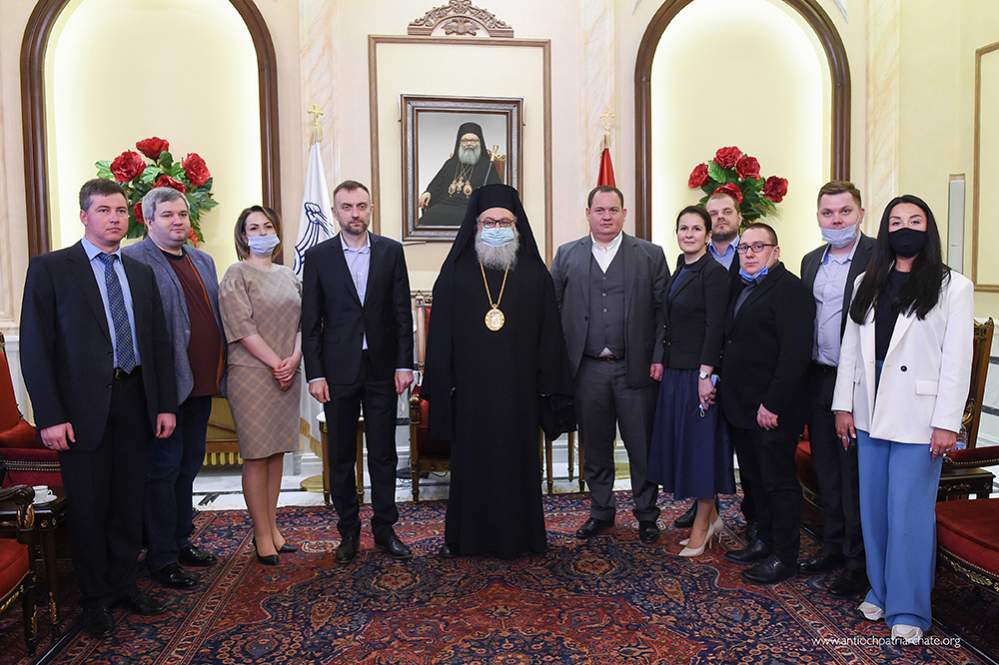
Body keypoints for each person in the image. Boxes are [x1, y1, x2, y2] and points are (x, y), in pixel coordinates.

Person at [20, 178, 177, 638]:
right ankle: (93, 601)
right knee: (89, 507)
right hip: (79, 411)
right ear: (84, 216)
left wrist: (164, 405)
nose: (114, 218)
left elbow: (159, 344)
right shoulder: (51, 268)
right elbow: (35, 347)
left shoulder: (140, 272)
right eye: (104, 210)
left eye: (121, 210)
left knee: (129, 503)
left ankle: (124, 584)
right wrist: (50, 416)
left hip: (135, 400)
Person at [833, 195, 972, 643]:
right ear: (885, 230)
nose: (904, 228)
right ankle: (881, 588)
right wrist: (842, 405)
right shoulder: (866, 281)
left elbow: (957, 361)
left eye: (914, 220)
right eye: (895, 221)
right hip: (869, 405)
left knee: (908, 511)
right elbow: (851, 349)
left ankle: (909, 607)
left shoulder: (953, 286)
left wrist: (947, 421)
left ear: (928, 228)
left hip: (920, 414)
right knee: (873, 507)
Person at [424, 183, 573, 558]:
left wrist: (547, 387)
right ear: (475, 225)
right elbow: (440, 337)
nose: (496, 228)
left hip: (519, 396)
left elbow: (550, 339)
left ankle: (521, 537)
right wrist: (444, 386)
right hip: (471, 396)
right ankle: (468, 538)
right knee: (472, 466)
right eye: (489, 222)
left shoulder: (535, 275)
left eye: (504, 222)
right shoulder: (455, 274)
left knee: (517, 464)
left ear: (517, 226)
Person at [302, 180, 414, 564]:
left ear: (371, 209)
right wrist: (315, 374)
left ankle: (385, 528)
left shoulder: (391, 252)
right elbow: (310, 321)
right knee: (341, 456)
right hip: (337, 373)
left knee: (383, 453)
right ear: (335, 212)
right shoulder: (319, 257)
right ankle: (348, 531)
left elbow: (402, 314)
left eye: (361, 206)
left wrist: (405, 364)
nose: (355, 213)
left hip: (382, 369)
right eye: (347, 207)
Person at [550, 185, 668, 544]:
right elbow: (553, 310)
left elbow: (664, 314)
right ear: (588, 213)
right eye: (599, 210)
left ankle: (647, 514)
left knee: (641, 446)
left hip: (636, 369)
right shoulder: (566, 255)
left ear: (624, 214)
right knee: (595, 445)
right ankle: (601, 511)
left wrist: (658, 358)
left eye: (613, 210)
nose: (606, 216)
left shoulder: (650, 255)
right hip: (587, 370)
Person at [122, 187, 224, 589]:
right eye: (167, 215)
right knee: (162, 472)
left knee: (188, 467)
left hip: (201, 385)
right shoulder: (133, 259)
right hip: (164, 390)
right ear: (148, 220)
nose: (177, 221)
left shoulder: (203, 260)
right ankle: (161, 557)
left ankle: (182, 541)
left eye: (181, 214)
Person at [720, 223, 814, 585]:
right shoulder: (740, 285)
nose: (749, 253)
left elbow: (794, 355)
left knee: (778, 482)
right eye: (744, 247)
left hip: (773, 408)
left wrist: (772, 404)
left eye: (758, 247)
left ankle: (784, 556)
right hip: (742, 405)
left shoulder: (791, 290)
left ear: (776, 251)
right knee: (754, 478)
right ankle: (763, 539)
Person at [797, 181, 875, 597]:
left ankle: (858, 562)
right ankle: (832, 547)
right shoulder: (811, 261)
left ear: (861, 212)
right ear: (818, 217)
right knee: (826, 468)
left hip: (861, 384)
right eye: (828, 213)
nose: (837, 220)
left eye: (844, 212)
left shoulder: (878, 257)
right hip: (818, 378)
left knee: (854, 474)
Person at [647, 206, 734, 556]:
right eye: (683, 228)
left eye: (696, 228)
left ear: (708, 235)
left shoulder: (714, 273)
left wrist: (705, 375)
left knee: (701, 451)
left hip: (697, 375)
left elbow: (716, 328)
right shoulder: (681, 267)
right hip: (675, 372)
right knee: (685, 447)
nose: (689, 234)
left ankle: (702, 526)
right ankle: (712, 518)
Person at [219, 206, 302, 565]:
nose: (262, 231)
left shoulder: (289, 275)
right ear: (243, 236)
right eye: (254, 227)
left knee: (277, 452)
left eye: (268, 225)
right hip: (252, 373)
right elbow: (240, 326)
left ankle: (274, 526)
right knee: (256, 454)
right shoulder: (236, 274)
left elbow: (304, 322)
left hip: (289, 372)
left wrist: (293, 359)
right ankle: (261, 533)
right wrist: (275, 363)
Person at [674, 188, 743, 531]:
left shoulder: (752, 250)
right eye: (713, 213)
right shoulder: (687, 261)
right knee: (703, 442)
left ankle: (750, 515)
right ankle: (704, 507)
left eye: (726, 212)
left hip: (738, 366)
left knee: (736, 444)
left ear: (738, 216)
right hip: (703, 364)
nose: (720, 218)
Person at [418, 122, 501, 227]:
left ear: (480, 142)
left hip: (471, 207)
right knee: (430, 215)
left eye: (473, 140)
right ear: (459, 143)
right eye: (465, 140)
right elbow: (437, 183)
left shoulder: (486, 165)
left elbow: (496, 190)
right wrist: (428, 192)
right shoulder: (451, 163)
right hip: (447, 204)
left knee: (466, 218)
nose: (469, 143)